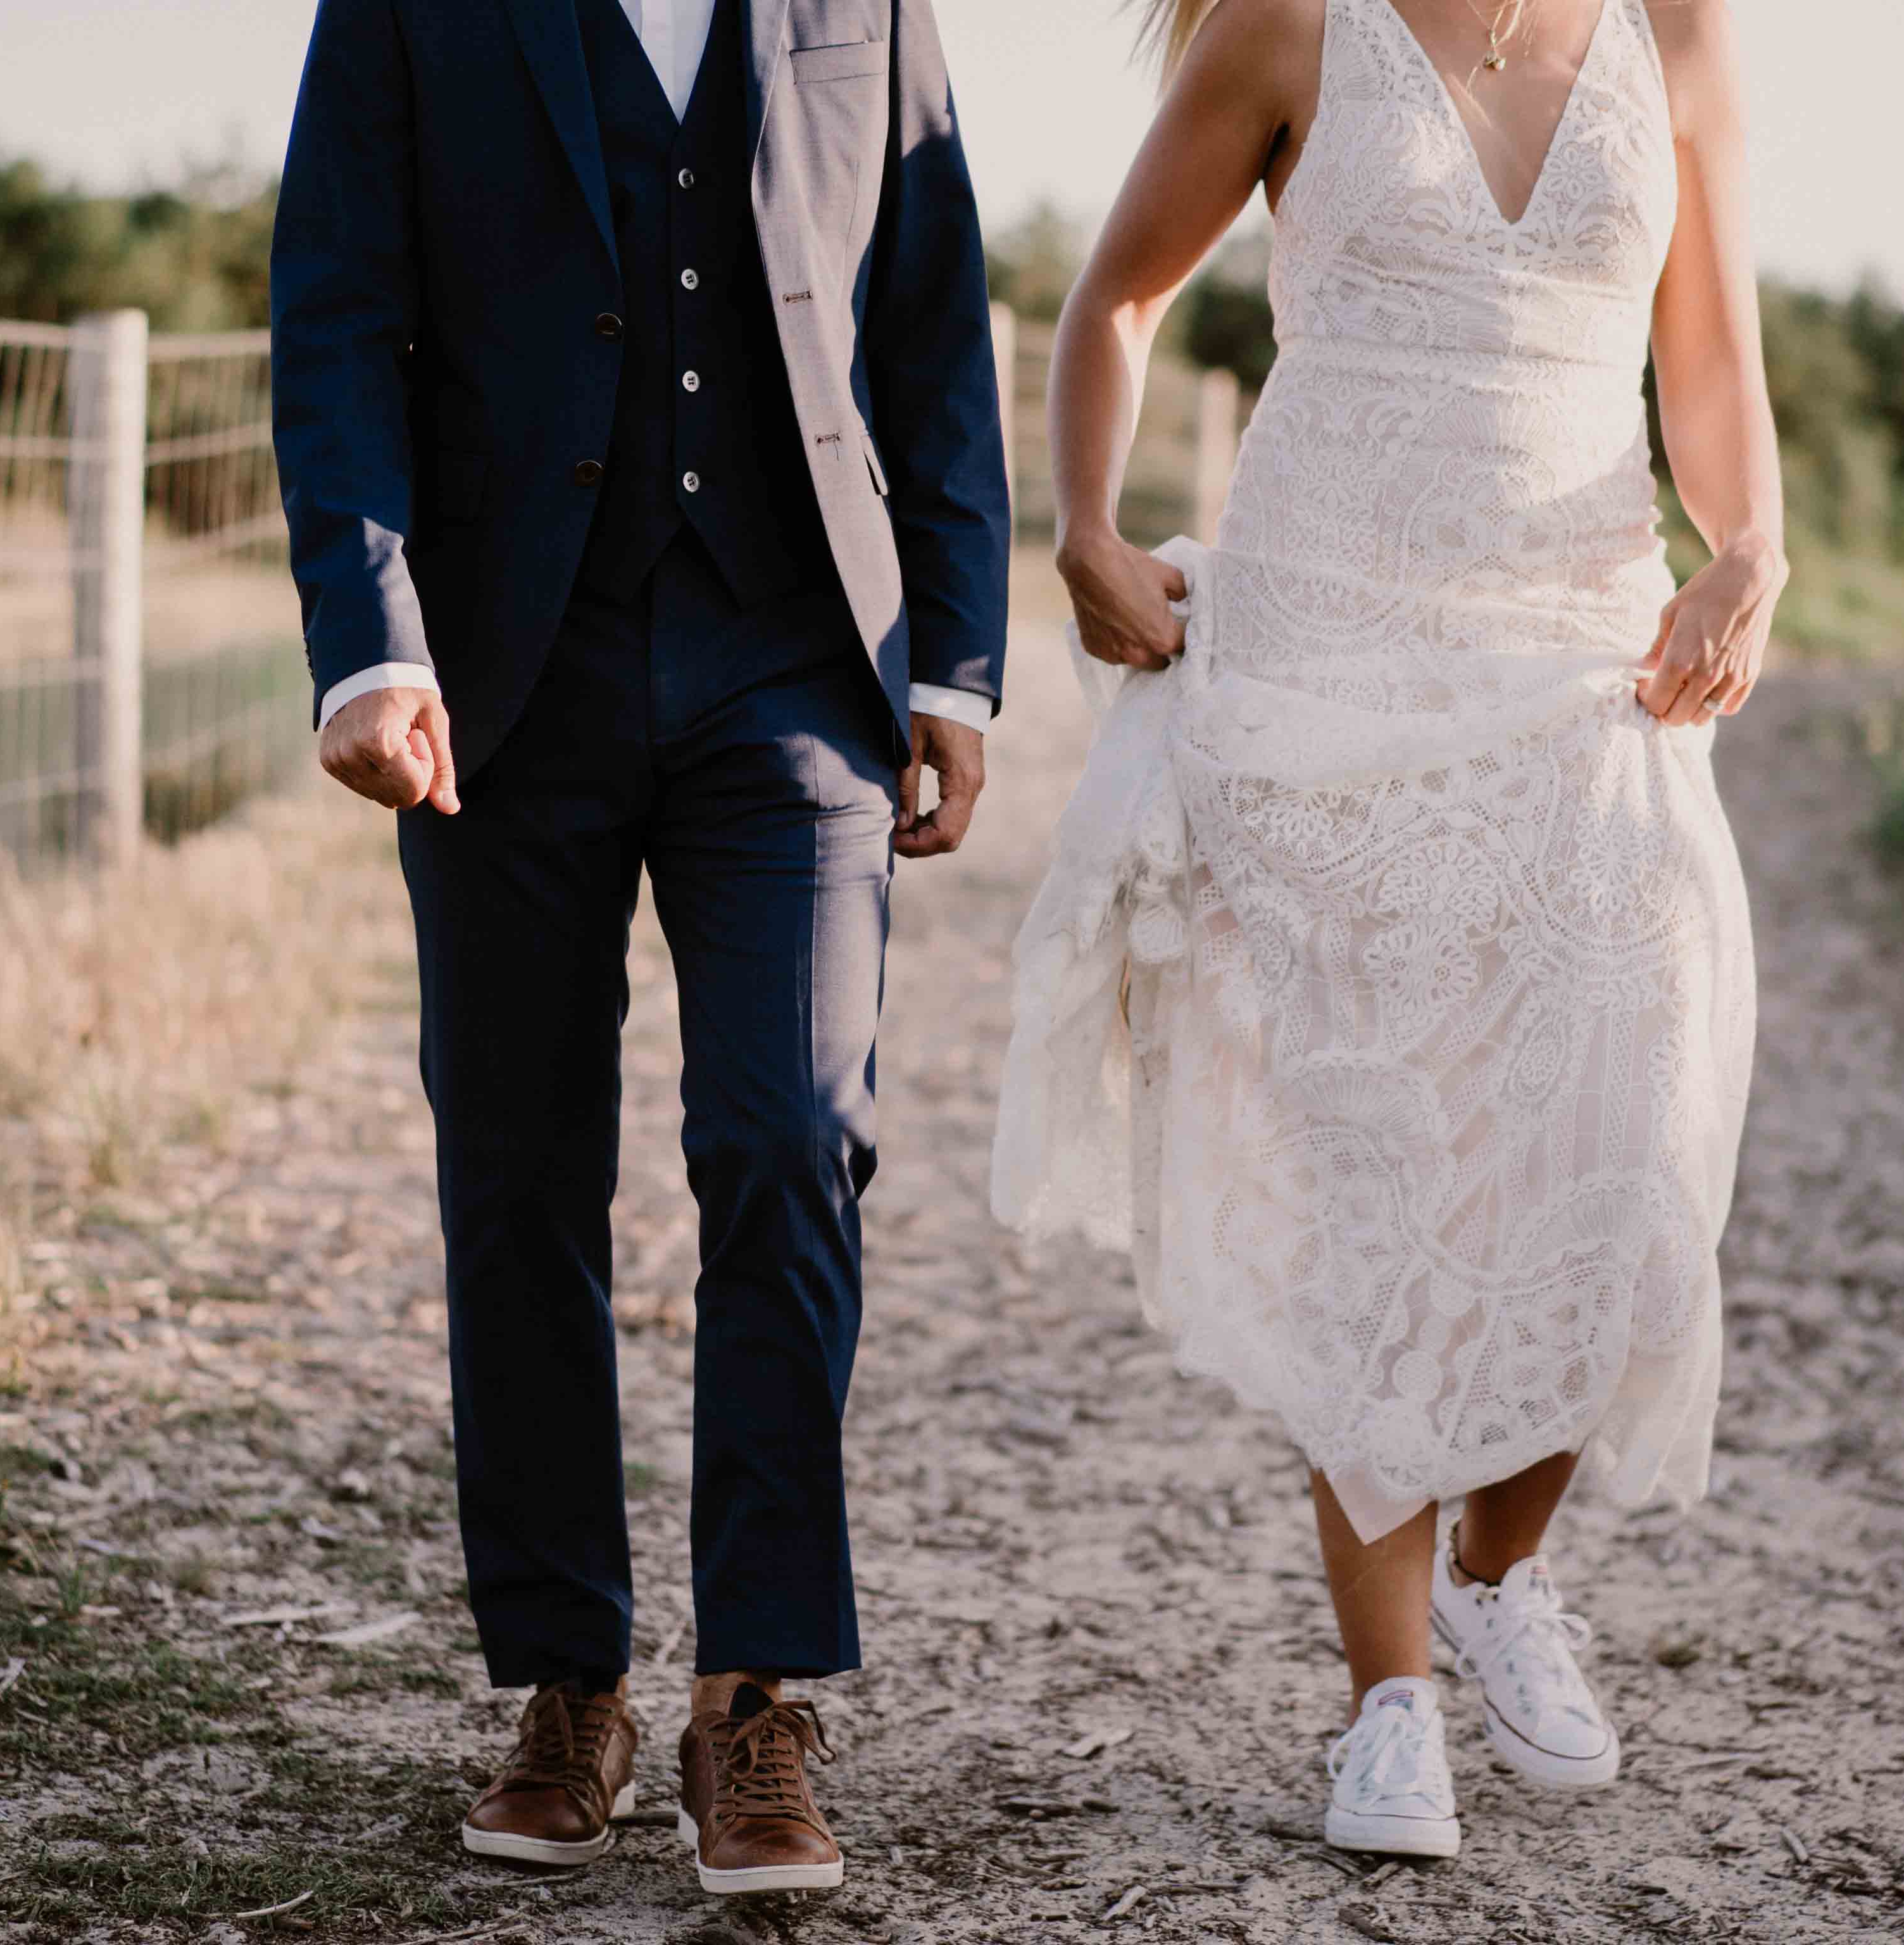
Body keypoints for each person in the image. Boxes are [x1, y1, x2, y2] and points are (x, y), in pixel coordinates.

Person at [994, 0, 1779, 1860]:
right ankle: (1390, 1702)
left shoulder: (1676, 31)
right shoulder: (1289, 26)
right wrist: (1087, 525)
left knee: (1622, 1182)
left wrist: (1750, 545)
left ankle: (1506, 1573)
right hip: (1325, 682)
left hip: (1584, 677)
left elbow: (1714, 360)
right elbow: (1114, 297)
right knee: (1387, 1201)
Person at [268, 0, 1006, 1897]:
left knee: (787, 1135)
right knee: (516, 1169)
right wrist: (368, 636)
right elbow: (338, 308)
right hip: (511, 673)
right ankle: (569, 1678)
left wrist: (957, 660)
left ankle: (753, 1695)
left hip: (797, 671)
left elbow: (932, 311)